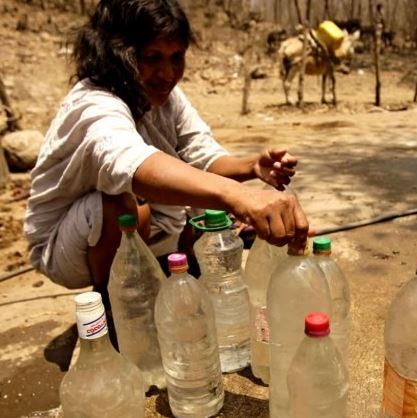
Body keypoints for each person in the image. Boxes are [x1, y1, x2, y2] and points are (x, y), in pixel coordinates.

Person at [23, 0, 309, 299]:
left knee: (203, 205)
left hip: (148, 228)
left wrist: (250, 167)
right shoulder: (94, 104)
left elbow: (201, 152)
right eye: (152, 58)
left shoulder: (166, 95)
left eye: (176, 58)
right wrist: (240, 197)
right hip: (67, 246)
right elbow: (133, 164)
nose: (167, 73)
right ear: (118, 55)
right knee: (126, 208)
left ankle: (162, 271)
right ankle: (115, 302)